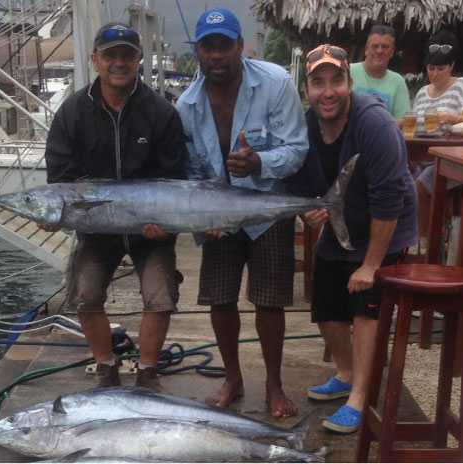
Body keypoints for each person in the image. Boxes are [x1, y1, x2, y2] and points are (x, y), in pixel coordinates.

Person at [175, 7, 308, 418]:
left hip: (267, 209)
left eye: (224, 45)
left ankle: (274, 384)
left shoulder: (276, 82)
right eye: (208, 46)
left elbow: (297, 149)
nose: (217, 55)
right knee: (219, 299)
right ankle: (232, 378)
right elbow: (192, 172)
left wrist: (259, 165)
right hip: (217, 214)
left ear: (240, 46)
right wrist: (203, 222)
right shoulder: (186, 104)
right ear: (197, 50)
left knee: (269, 301)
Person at [42, 22, 188, 391]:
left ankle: (147, 373)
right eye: (110, 55)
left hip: (150, 230)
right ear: (95, 60)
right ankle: (106, 366)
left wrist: (164, 223)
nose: (118, 62)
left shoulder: (161, 112)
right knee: (84, 294)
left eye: (127, 54)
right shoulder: (73, 112)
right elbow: (61, 177)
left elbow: (172, 178)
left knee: (161, 296)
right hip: (97, 230)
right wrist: (57, 214)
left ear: (139, 59)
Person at [289, 44, 418, 434]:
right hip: (342, 220)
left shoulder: (375, 124)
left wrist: (372, 264)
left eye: (336, 81)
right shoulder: (306, 124)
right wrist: (308, 210)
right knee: (326, 305)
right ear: (306, 90)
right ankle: (345, 372)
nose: (328, 92)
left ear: (349, 82)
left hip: (386, 224)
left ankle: (359, 396)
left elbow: (389, 198)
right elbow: (298, 180)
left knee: (366, 307)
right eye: (318, 83)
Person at [410, 31, 463, 238]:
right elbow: (412, 125)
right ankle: (405, 237)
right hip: (423, 157)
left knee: (418, 188)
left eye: (441, 68)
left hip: (451, 160)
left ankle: (423, 243)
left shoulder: (461, 86)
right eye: (431, 68)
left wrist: (452, 118)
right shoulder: (422, 92)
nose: (436, 73)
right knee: (398, 184)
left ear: (451, 66)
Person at [349, 24, 410, 120]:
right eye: (375, 46)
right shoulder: (349, 72)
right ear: (366, 49)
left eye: (385, 47)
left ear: (392, 52)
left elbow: (403, 118)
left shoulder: (398, 82)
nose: (379, 51)